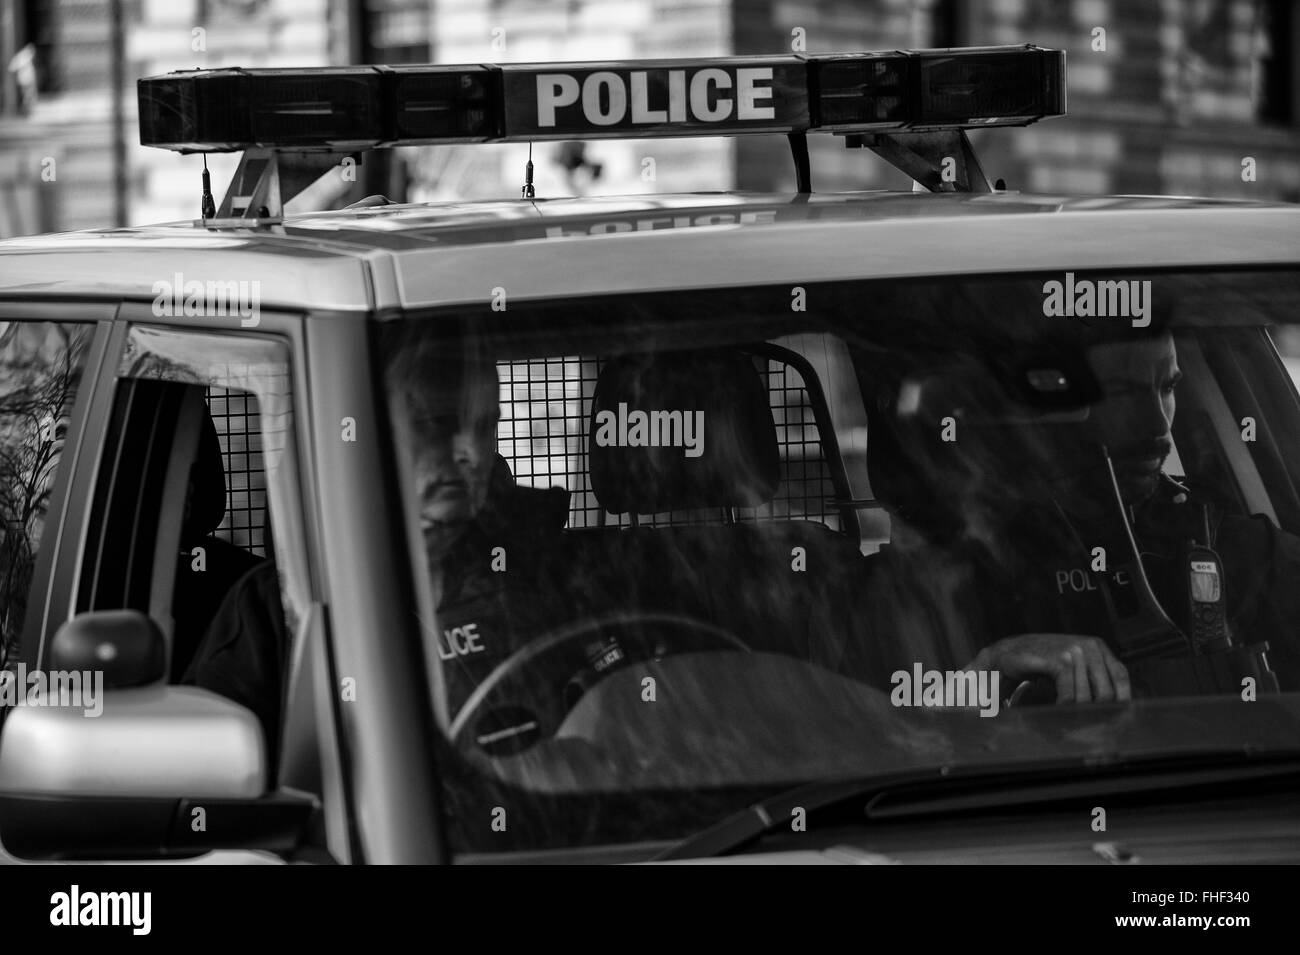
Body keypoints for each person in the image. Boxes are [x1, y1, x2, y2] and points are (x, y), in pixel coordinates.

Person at [183, 335, 570, 760]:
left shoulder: (549, 572)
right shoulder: (278, 610)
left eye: (486, 425)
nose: (472, 452)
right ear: (362, 439)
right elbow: (216, 790)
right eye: (436, 422)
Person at [861, 329, 1300, 704]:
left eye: (1166, 388)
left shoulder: (1231, 543)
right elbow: (878, 741)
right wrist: (989, 672)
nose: (1157, 426)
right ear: (1045, 403)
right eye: (1123, 391)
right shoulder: (940, 576)